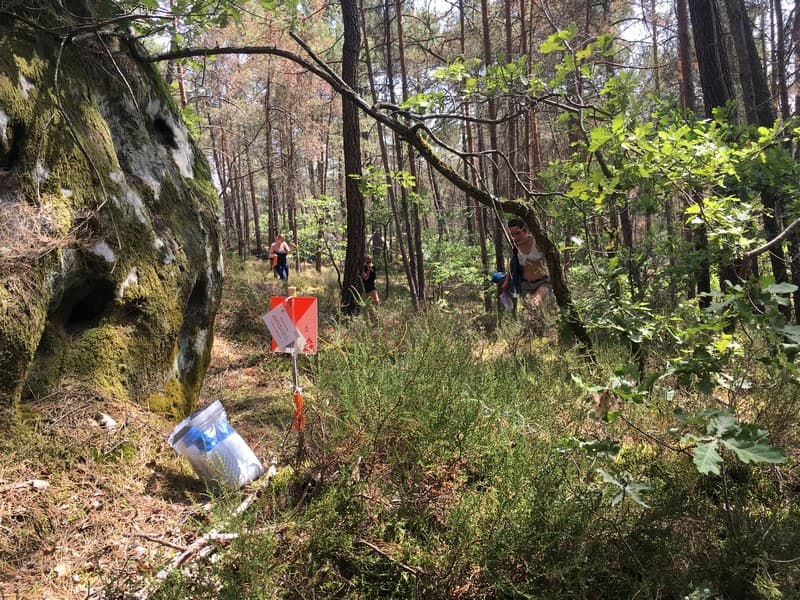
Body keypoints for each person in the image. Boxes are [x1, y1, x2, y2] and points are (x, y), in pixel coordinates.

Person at [501, 218, 554, 313]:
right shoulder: (515, 247)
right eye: (512, 235)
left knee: (536, 303)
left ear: (525, 231)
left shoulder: (538, 242)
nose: (515, 237)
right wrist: (506, 281)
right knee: (529, 313)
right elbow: (512, 264)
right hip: (525, 285)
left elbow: (552, 257)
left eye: (517, 233)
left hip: (543, 282)